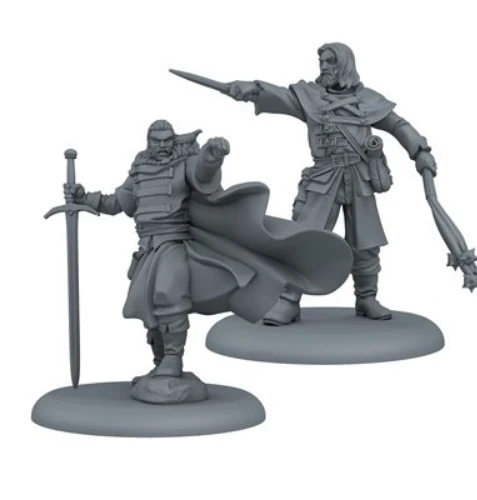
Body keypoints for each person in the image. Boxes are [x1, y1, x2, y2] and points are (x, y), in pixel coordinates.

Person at [68, 119, 352, 403]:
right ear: (148, 142)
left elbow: (202, 173)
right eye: (157, 141)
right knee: (148, 308)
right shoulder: (140, 171)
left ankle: (173, 361)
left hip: (172, 244)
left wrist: (212, 156)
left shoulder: (182, 164)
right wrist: (85, 198)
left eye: (167, 140)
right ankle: (160, 365)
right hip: (146, 249)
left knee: (168, 297)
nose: (163, 146)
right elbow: (118, 203)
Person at [221, 42, 437, 325]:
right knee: (303, 240)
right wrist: (252, 89)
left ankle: (367, 298)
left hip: (360, 178)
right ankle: (288, 301)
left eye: (330, 61)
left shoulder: (368, 100)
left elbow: (397, 125)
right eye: (321, 61)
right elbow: (280, 96)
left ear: (345, 64)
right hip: (324, 178)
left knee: (366, 242)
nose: (324, 66)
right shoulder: (309, 97)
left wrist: (420, 151)